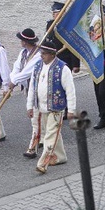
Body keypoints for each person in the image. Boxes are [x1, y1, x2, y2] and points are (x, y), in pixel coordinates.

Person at [26, 40, 77, 174]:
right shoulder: (37, 66)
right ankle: (60, 157)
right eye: (41, 53)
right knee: (54, 134)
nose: (41, 56)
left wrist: (71, 110)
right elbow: (32, 87)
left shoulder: (63, 68)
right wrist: (29, 106)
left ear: (53, 54)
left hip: (56, 108)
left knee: (50, 135)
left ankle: (43, 163)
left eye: (44, 53)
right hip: (41, 108)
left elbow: (70, 90)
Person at [9, 28, 43, 158]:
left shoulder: (38, 54)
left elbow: (28, 71)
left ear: (25, 41)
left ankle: (33, 147)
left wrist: (15, 81)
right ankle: (43, 139)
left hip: (37, 90)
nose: (20, 42)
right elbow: (17, 67)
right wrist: (12, 79)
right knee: (38, 118)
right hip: (28, 89)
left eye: (21, 40)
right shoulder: (23, 53)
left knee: (35, 118)